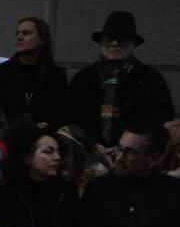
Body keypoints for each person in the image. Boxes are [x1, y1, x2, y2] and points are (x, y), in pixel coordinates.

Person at [64, 11, 175, 152]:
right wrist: (93, 146)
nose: (115, 44)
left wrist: (127, 146)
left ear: (133, 44)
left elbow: (160, 120)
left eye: (122, 39)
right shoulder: (83, 78)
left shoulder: (150, 79)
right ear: (101, 42)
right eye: (109, 39)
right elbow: (70, 118)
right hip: (89, 153)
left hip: (135, 155)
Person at [79, 122, 180, 227]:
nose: (119, 158)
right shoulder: (97, 188)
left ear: (153, 158)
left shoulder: (173, 193)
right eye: (119, 148)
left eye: (130, 152)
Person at [0, 123, 81, 227]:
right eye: (48, 152)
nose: (57, 157)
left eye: (58, 152)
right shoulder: (5, 195)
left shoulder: (67, 192)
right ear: (27, 156)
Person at [0, 17, 66, 126]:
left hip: (45, 134)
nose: (19, 37)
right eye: (17, 33)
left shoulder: (55, 75)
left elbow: (61, 113)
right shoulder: (3, 72)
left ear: (42, 40)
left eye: (26, 33)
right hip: (8, 133)